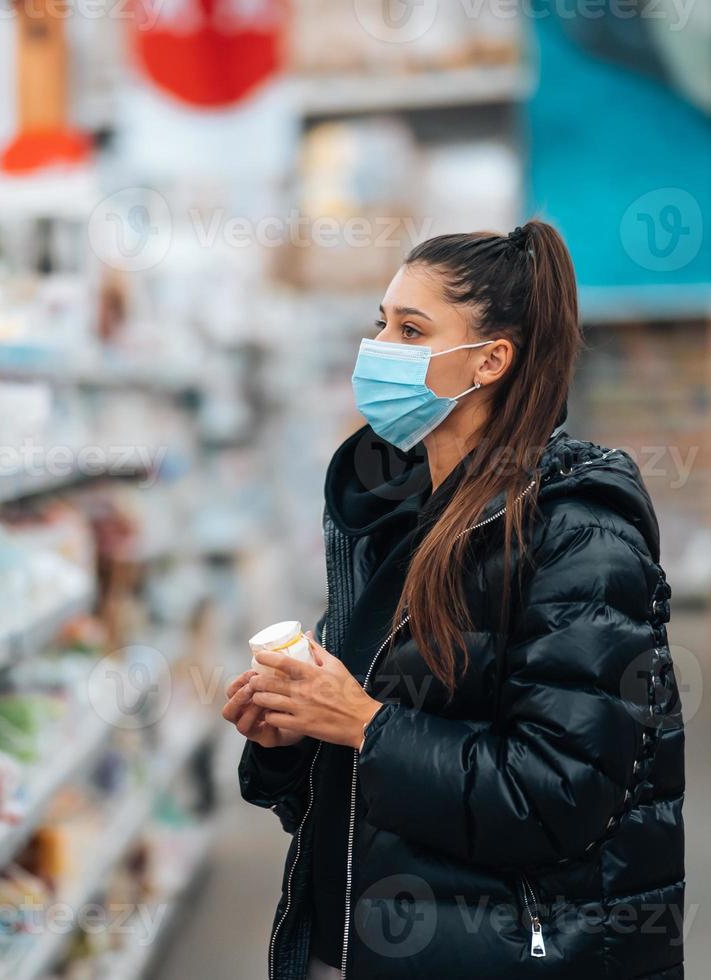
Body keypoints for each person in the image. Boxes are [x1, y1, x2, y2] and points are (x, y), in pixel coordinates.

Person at [222, 221, 685, 979]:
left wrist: (364, 725)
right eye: (381, 324)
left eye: (412, 329)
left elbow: (559, 797)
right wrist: (293, 740)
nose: (379, 349)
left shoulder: (576, 533)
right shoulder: (401, 522)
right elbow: (371, 791)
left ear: (491, 360)